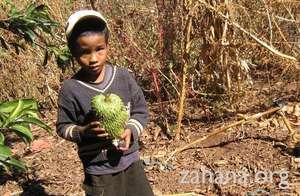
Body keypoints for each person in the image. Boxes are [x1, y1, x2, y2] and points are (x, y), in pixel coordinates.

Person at [56, 10, 154, 196]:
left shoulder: (123, 77)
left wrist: (131, 130)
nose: (93, 59)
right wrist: (83, 131)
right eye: (84, 52)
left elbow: (141, 111)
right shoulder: (71, 89)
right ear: (72, 51)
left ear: (107, 46)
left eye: (99, 49)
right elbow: (63, 127)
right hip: (98, 170)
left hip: (131, 161)